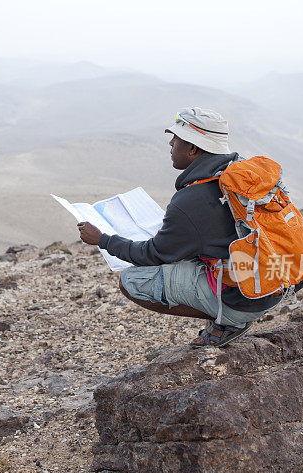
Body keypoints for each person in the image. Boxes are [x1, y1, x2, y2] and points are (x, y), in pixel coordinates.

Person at [77, 107, 282, 347]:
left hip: (245, 300)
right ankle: (231, 309)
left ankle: (228, 319)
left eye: (176, 139)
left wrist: (103, 240)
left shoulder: (193, 199)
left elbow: (152, 254)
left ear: (193, 149)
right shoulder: (240, 174)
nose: (171, 143)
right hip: (272, 286)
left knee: (132, 281)